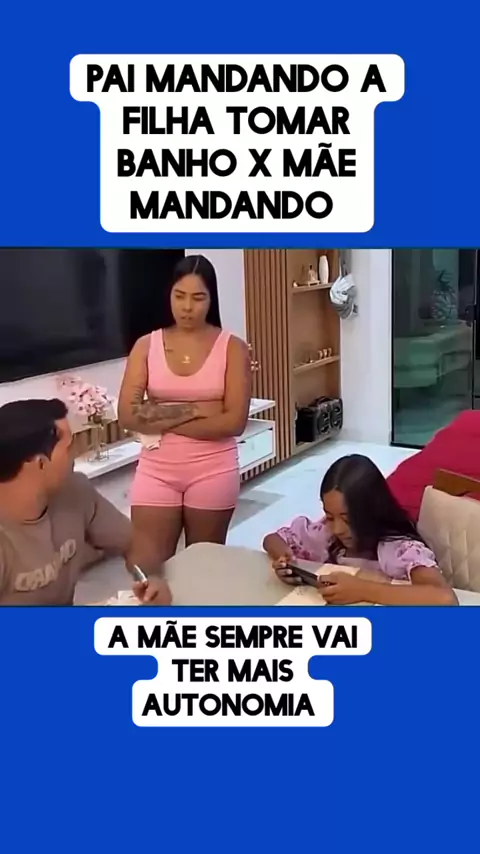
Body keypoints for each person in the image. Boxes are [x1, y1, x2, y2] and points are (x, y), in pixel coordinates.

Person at [118, 254, 251, 564]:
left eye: (198, 298)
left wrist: (159, 415)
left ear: (211, 299)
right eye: (179, 296)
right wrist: (195, 409)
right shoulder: (146, 345)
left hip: (213, 469)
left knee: (202, 565)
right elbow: (127, 415)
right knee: (148, 564)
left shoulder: (233, 347)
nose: (187, 307)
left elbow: (234, 422)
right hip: (156, 470)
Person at [0, 398, 171, 606]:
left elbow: (134, 543)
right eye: (68, 448)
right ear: (40, 463)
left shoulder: (75, 490)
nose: (75, 454)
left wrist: (150, 580)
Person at [263, 454, 457, 605]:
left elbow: (444, 599)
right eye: (329, 517)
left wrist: (361, 590)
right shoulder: (325, 535)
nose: (337, 529)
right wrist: (286, 558)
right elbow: (272, 539)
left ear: (373, 510)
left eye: (347, 519)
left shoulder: (398, 549)